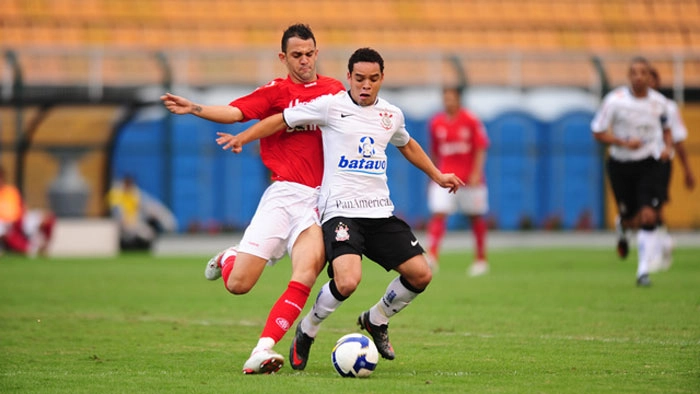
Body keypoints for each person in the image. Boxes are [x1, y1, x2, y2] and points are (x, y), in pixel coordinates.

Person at [216, 47, 464, 370]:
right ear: (348, 78)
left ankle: (376, 319)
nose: (366, 85)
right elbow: (281, 119)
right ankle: (308, 329)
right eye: (359, 78)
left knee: (421, 274)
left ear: (381, 79)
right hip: (340, 213)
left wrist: (437, 174)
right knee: (347, 281)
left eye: (373, 79)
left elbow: (408, 144)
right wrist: (244, 137)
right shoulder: (330, 106)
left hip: (379, 213)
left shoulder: (391, 114)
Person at [160, 24, 345, 374]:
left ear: (317, 53)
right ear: (283, 58)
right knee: (238, 285)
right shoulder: (275, 92)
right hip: (284, 195)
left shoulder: (335, 91)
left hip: (320, 202)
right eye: (296, 55)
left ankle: (263, 349)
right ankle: (230, 257)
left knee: (306, 273)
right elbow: (235, 113)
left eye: (309, 53)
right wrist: (194, 108)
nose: (304, 61)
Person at [591, 56, 673, 287]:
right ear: (628, 76)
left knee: (649, 215)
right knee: (631, 219)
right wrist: (623, 142)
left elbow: (667, 130)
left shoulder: (659, 103)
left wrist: (667, 148)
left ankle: (643, 271)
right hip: (621, 164)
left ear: (650, 76)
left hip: (649, 163)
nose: (639, 76)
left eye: (643, 72)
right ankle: (623, 226)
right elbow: (597, 132)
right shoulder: (615, 101)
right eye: (634, 72)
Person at [425, 86, 490, 276]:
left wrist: (477, 172)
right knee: (439, 213)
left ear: (459, 100)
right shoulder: (436, 123)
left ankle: (480, 259)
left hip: (469, 179)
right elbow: (435, 151)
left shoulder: (470, 119)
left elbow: (481, 146)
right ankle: (433, 257)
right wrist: (434, 173)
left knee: (475, 216)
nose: (449, 102)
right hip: (445, 177)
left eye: (452, 98)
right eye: (446, 98)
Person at [647, 67, 696, 272]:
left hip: (660, 161)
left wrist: (687, 170)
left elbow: (678, 141)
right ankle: (664, 241)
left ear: (657, 83)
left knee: (655, 206)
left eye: (650, 79)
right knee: (642, 207)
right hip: (636, 161)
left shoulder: (668, 107)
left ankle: (657, 250)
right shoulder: (628, 105)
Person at [106, 174, 177, 250]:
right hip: (121, 223)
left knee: (147, 232)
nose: (129, 186)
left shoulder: (135, 193)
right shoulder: (116, 194)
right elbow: (116, 211)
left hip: (134, 222)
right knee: (143, 233)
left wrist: (166, 219)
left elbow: (149, 205)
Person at [0, 165, 55, 257]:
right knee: (5, 231)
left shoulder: (11, 191)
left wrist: (22, 219)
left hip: (18, 220)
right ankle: (28, 249)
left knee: (48, 218)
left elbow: (22, 207)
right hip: (3, 223)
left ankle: (42, 247)